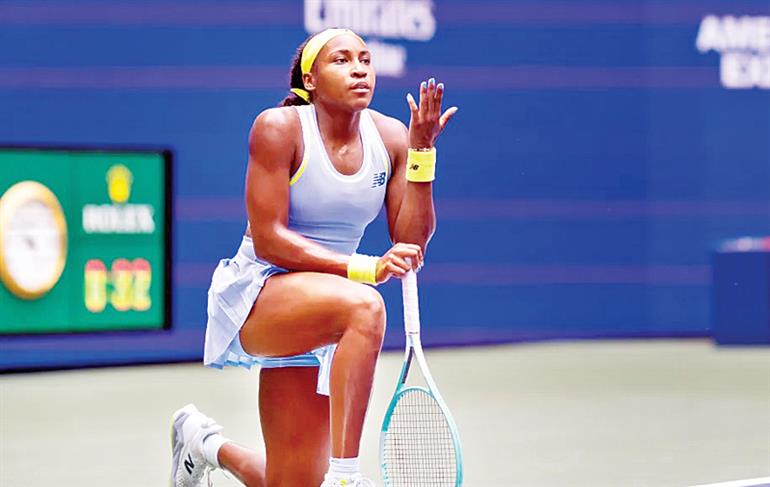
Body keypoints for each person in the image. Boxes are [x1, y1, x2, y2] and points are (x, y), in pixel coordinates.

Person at [169, 28, 457, 487]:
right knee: (365, 306)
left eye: (365, 60)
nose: (359, 69)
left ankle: (202, 444)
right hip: (262, 295)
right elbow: (270, 240)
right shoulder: (278, 128)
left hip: (326, 308)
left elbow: (410, 241)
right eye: (341, 60)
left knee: (292, 482)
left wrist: (422, 153)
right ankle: (345, 477)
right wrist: (364, 268)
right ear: (311, 80)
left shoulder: (391, 137)